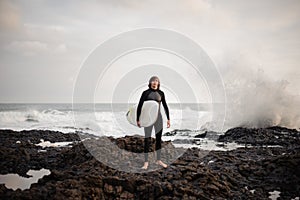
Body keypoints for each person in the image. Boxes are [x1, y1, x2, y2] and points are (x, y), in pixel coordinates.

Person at [136, 76, 171, 170]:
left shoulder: (161, 93)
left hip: (158, 119)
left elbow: (165, 106)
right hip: (148, 119)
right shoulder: (146, 93)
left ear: (158, 83)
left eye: (156, 81)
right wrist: (138, 119)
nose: (154, 82)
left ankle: (158, 160)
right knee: (147, 139)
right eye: (153, 81)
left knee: (159, 139)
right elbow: (140, 106)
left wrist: (168, 119)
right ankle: (146, 162)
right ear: (150, 83)